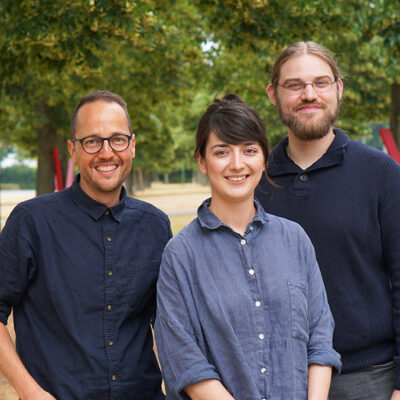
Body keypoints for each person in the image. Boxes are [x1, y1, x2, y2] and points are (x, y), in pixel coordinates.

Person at [155, 93, 341, 400]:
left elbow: (320, 337)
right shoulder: (181, 254)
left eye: (249, 150)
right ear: (202, 161)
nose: (237, 164)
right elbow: (184, 360)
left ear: (264, 158)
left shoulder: (294, 239)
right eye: (222, 152)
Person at [0, 90, 171, 400]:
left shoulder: (155, 226)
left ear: (132, 145)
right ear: (73, 150)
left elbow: (173, 323)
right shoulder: (31, 221)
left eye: (117, 139)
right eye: (92, 141)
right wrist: (29, 392)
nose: (106, 153)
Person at [255, 41, 400, 400]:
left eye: (320, 82)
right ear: (273, 94)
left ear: (338, 88)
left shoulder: (381, 174)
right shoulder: (254, 182)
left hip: (369, 379)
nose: (309, 94)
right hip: (276, 379)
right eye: (295, 85)